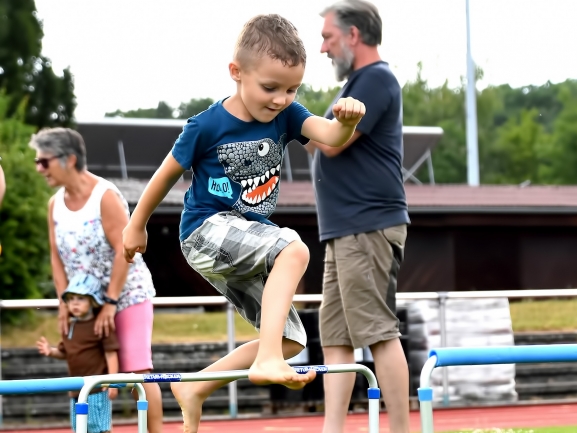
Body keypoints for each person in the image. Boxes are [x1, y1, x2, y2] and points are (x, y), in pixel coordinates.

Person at [121, 14, 365, 433]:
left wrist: (346, 121)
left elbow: (330, 136)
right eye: (270, 88)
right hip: (205, 231)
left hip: (242, 243)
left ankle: (196, 387)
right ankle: (265, 358)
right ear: (236, 73)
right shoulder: (207, 125)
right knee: (293, 248)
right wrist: (136, 224)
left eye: (292, 89)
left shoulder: (287, 116)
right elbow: (164, 176)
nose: (280, 99)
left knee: (292, 340)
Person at [305, 1, 411, 432]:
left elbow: (330, 143)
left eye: (329, 37)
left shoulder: (375, 80)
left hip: (366, 228)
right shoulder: (355, 85)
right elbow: (319, 141)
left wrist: (288, 108)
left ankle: (403, 429)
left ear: (353, 35)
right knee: (335, 338)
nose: (323, 47)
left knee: (378, 332)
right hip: (343, 231)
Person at [30, 128, 163, 433]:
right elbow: (56, 258)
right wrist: (64, 304)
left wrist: (111, 303)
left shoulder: (105, 197)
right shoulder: (54, 204)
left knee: (136, 372)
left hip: (127, 294)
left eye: (44, 161)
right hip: (85, 303)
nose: (38, 168)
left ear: (69, 159)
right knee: (87, 373)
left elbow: (124, 251)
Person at [36, 274, 120, 433]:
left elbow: (111, 354)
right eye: (71, 298)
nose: (75, 302)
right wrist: (51, 351)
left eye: (81, 298)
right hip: (76, 388)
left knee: (99, 428)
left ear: (92, 301)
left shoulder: (100, 325)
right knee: (79, 428)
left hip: (97, 388)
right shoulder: (71, 327)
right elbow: (65, 353)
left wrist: (112, 382)